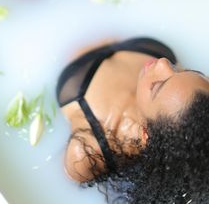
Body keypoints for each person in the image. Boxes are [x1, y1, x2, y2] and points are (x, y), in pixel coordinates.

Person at [56, 37, 209, 203]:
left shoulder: (88, 152)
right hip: (137, 45)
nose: (163, 63)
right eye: (184, 71)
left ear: (145, 134)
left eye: (157, 86)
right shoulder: (160, 59)